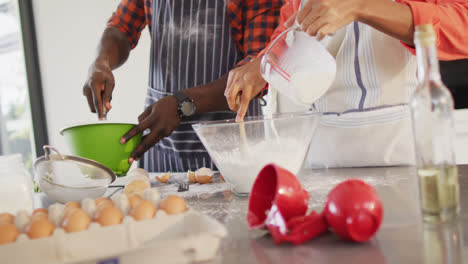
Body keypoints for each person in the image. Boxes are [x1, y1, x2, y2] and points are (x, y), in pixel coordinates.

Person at [225, 0, 468, 167]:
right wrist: (266, 60)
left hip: (401, 154)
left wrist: (361, 6)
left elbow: (463, 24)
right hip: (321, 157)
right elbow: (292, 26)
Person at [82, 0, 283, 172]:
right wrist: (102, 61)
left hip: (232, 151)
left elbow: (259, 69)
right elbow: (122, 26)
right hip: (159, 145)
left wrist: (182, 104)